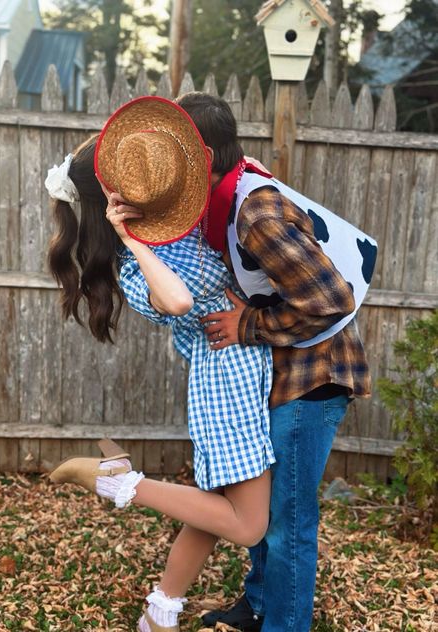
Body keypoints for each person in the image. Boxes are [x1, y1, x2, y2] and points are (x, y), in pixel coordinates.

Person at [44, 96, 277, 632]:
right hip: (227, 381)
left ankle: (160, 611)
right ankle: (116, 479)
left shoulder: (179, 221)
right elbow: (178, 303)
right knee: (247, 525)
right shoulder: (133, 263)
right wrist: (128, 237)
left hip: (250, 364)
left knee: (214, 509)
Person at [148, 92, 371, 632]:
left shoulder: (255, 212)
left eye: (174, 155)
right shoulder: (229, 198)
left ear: (201, 156)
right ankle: (260, 606)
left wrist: (247, 325)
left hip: (314, 376)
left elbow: (332, 300)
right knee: (269, 510)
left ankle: (283, 624)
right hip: (284, 371)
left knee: (288, 520)